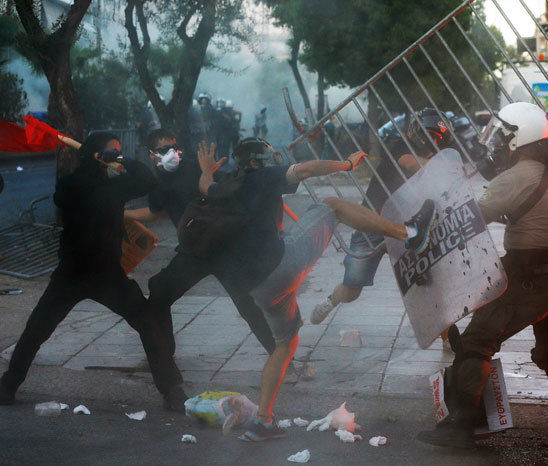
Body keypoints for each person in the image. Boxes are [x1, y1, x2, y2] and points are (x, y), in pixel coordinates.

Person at [194, 137, 438, 441]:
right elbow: (307, 169)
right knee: (332, 205)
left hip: (258, 289)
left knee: (285, 346)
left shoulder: (224, 186)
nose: (275, 159)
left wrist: (206, 169)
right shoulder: (261, 177)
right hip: (281, 266)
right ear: (255, 163)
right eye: (269, 156)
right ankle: (410, 232)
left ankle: (264, 421)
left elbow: (205, 186)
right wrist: (347, 164)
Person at [416, 102, 548, 451]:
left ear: (518, 139)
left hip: (530, 275)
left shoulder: (511, 178)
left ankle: (461, 428)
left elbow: (468, 223)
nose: (494, 144)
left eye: (501, 136)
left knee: (476, 343)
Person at [0, 133, 184, 409]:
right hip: (71, 274)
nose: (118, 157)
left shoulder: (111, 186)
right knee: (36, 331)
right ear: (96, 156)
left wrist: (118, 160)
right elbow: (67, 195)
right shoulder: (77, 185)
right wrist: (105, 166)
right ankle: (7, 387)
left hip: (108, 275)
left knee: (148, 324)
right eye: (113, 152)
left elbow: (148, 180)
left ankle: (172, 391)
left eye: (120, 153)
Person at [124, 129, 278, 379]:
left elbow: (219, 187)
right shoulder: (160, 181)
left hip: (222, 245)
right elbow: (154, 212)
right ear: (152, 155)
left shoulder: (195, 167)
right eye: (164, 150)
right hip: (195, 250)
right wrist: (123, 214)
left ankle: (281, 356)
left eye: (175, 147)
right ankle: (163, 355)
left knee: (246, 303)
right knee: (160, 291)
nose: (172, 154)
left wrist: (210, 170)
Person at [310, 108, 455, 325]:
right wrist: (444, 168)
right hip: (374, 224)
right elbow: (409, 163)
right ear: (417, 132)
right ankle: (331, 300)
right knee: (353, 287)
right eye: (429, 135)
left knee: (429, 282)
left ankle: (447, 335)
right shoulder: (402, 147)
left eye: (438, 138)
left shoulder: (435, 157)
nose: (432, 141)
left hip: (413, 227)